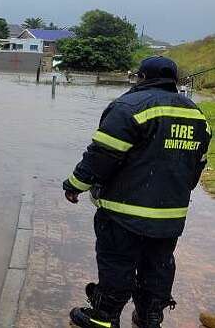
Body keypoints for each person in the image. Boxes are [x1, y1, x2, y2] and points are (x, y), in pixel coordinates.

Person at [64, 56, 211, 328]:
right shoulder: (196, 114)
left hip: (123, 212)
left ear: (142, 78)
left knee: (117, 262)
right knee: (158, 265)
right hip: (170, 215)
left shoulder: (129, 107)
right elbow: (197, 167)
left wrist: (74, 185)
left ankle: (104, 318)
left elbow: (101, 156)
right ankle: (149, 318)